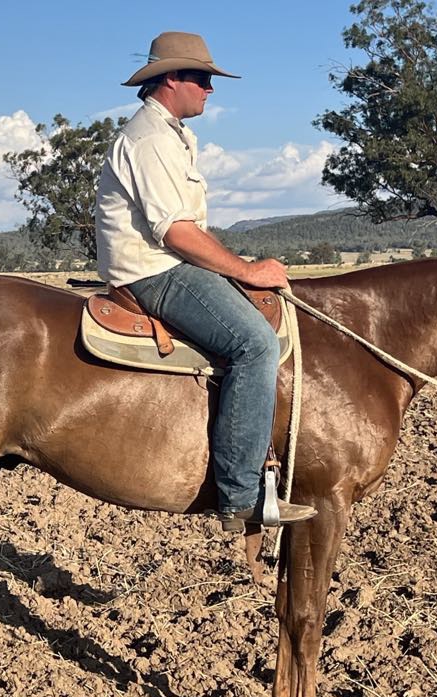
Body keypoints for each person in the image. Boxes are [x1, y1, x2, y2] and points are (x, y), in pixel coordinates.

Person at [94, 31, 318, 531]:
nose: (210, 89)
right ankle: (240, 495)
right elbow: (176, 232)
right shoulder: (150, 140)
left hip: (169, 264)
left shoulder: (171, 135)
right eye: (202, 78)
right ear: (171, 78)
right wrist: (247, 270)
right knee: (255, 345)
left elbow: (189, 227)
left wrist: (238, 267)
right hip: (154, 272)